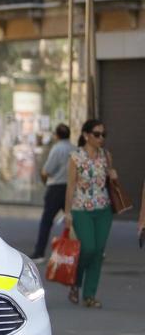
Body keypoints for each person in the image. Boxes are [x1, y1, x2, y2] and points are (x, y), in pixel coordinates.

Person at [64, 118, 118, 308]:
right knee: (88, 248)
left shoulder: (106, 155)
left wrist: (114, 176)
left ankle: (89, 295)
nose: (101, 138)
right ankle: (75, 282)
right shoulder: (75, 157)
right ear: (86, 136)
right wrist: (67, 213)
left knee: (98, 252)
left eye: (103, 134)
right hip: (81, 210)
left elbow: (111, 182)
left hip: (103, 210)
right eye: (97, 134)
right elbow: (70, 186)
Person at [31, 124, 74, 262]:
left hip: (56, 187)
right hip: (71, 187)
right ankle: (82, 249)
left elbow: (47, 170)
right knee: (74, 220)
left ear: (57, 135)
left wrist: (44, 181)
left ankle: (39, 252)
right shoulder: (75, 148)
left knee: (46, 221)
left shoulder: (57, 149)